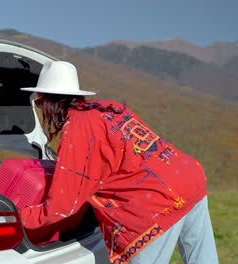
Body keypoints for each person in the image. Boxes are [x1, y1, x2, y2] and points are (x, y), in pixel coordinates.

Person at [20, 61, 219, 264]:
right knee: (203, 259)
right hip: (189, 176)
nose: (40, 107)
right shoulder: (109, 108)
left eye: (39, 102)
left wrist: (16, 216)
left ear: (47, 101)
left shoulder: (78, 130)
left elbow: (62, 206)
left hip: (158, 200)